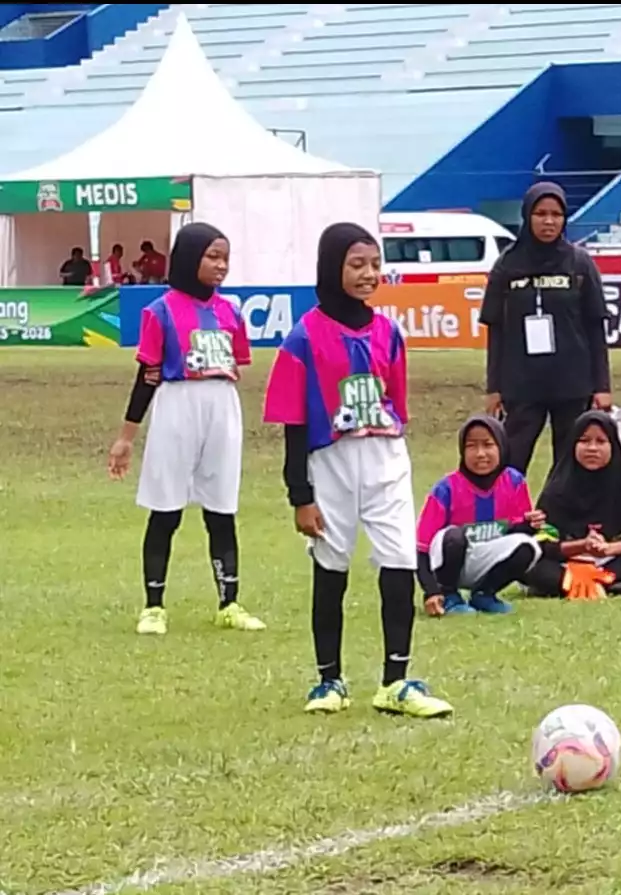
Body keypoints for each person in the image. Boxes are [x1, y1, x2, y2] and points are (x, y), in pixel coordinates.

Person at [263, 222, 452, 719]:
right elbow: (293, 422)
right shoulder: (304, 338)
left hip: (385, 458)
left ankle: (396, 682)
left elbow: (397, 403)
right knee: (331, 566)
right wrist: (299, 495)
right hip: (331, 462)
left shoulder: (389, 333)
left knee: (399, 561)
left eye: (374, 264)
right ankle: (329, 680)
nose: (369, 274)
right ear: (332, 268)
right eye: (356, 265)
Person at [106, 223, 264, 636]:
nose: (221, 265)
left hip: (222, 406)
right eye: (212, 256)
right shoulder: (160, 311)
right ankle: (153, 606)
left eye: (225, 257)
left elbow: (236, 364)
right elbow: (148, 375)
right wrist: (126, 437)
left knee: (222, 510)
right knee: (166, 510)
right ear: (190, 257)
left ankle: (229, 603)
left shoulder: (230, 312)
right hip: (177, 406)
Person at [482, 181, 613, 474]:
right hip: (521, 384)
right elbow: (496, 330)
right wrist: (494, 388)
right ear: (527, 216)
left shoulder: (580, 263)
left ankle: (561, 507)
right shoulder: (507, 265)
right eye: (540, 214)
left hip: (573, 383)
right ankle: (510, 506)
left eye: (556, 214)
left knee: (569, 465)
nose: (549, 221)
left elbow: (595, 328)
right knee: (511, 461)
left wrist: (602, 386)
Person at [523, 410, 621, 598]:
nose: (592, 448)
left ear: (613, 446)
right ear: (573, 445)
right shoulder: (558, 487)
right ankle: (606, 585)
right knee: (526, 561)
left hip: (607, 561)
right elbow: (545, 544)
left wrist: (607, 549)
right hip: (566, 562)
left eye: (600, 441)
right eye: (584, 441)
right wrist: (582, 546)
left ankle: (569, 585)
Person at [414, 415, 547, 617]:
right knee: (454, 537)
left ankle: (485, 594)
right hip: (447, 561)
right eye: (471, 446)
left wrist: (531, 525)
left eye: (487, 445)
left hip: (484, 560)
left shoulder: (514, 482)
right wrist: (431, 591)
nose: (480, 454)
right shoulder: (446, 488)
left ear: (501, 447)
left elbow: (516, 531)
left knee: (529, 546)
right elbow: (421, 548)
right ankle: (449, 595)